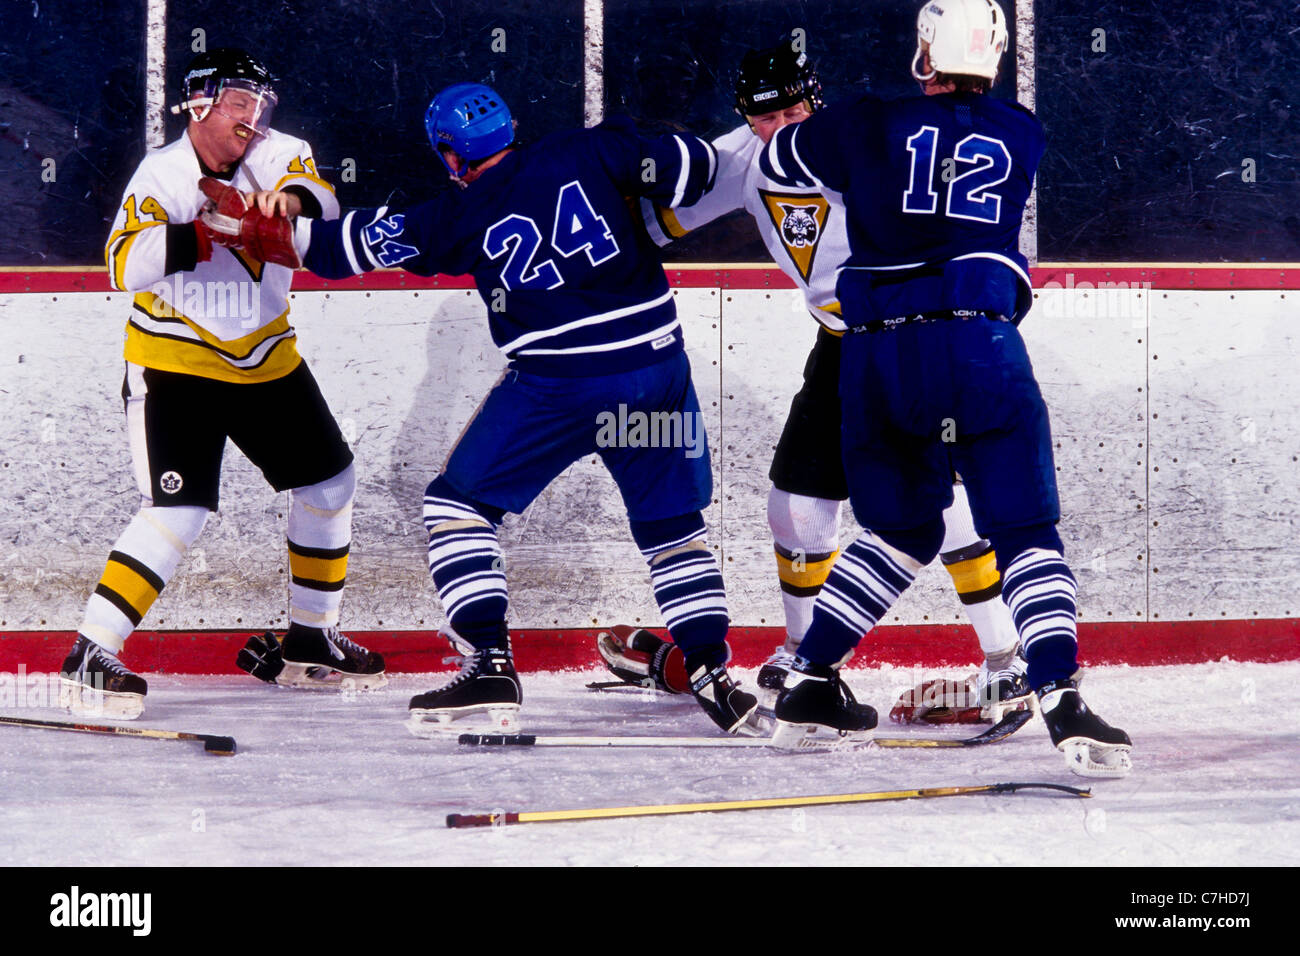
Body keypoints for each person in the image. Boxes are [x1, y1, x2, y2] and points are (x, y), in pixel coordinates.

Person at [249, 82, 760, 736]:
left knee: (456, 508)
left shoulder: (456, 217)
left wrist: (257, 229)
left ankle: (490, 664)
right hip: (656, 369)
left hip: (561, 387)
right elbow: (699, 168)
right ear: (510, 126)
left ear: (450, 154)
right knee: (673, 531)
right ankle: (712, 671)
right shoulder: (592, 148)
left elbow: (340, 249)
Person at [598, 41, 1030, 725]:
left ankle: (1008, 665)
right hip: (841, 343)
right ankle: (807, 662)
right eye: (769, 118)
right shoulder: (740, 159)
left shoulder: (866, 142)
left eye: (797, 108)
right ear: (746, 117)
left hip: (916, 334)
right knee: (795, 507)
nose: (786, 125)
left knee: (935, 507)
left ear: (816, 100)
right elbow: (645, 227)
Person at [760, 0, 1131, 776]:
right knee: (1024, 530)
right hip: (976, 342)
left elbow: (782, 157)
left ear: (924, 52)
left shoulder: (863, 120)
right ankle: (1058, 694)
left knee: (899, 532)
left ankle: (807, 681)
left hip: (875, 352)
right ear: (993, 57)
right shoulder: (1023, 131)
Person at [63, 48, 384, 720]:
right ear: (201, 105)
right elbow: (123, 262)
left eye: (259, 102)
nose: (252, 115)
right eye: (238, 101)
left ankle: (309, 640)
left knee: (330, 485)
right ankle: (92, 650)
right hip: (175, 366)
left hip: (267, 360)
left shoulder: (279, 150)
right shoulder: (162, 174)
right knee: (177, 509)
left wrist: (282, 202)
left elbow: (320, 200)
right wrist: (200, 232)